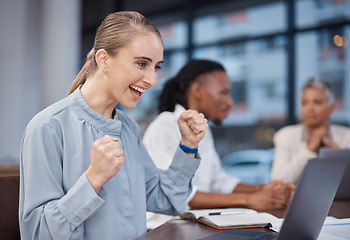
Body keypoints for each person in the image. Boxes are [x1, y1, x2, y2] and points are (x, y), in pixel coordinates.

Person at [18, 11, 209, 240]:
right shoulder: (47, 128)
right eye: (141, 64)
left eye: (157, 67)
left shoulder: (127, 128)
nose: (152, 80)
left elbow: (164, 199)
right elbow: (38, 235)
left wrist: (187, 146)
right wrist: (93, 179)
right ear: (103, 60)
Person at [143, 59, 294, 228]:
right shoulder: (166, 125)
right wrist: (250, 200)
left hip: (192, 225)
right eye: (224, 93)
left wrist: (262, 189)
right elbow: (178, 194)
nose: (230, 102)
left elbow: (218, 181)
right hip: (164, 230)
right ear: (197, 91)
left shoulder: (201, 129)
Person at [271, 77, 350, 183]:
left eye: (317, 102)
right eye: (304, 102)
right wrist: (309, 149)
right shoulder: (285, 136)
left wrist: (334, 150)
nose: (310, 108)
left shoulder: (346, 136)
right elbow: (278, 181)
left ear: (330, 109)